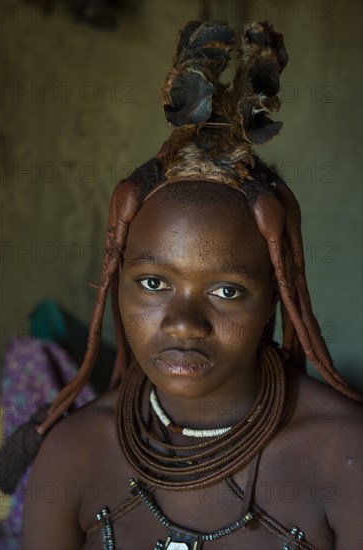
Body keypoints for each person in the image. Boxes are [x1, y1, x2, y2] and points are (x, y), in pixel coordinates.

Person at [20, 20, 362, 550]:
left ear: (276, 294)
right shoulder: (74, 454)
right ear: (116, 282)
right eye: (154, 282)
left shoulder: (345, 459)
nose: (183, 322)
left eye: (227, 291)